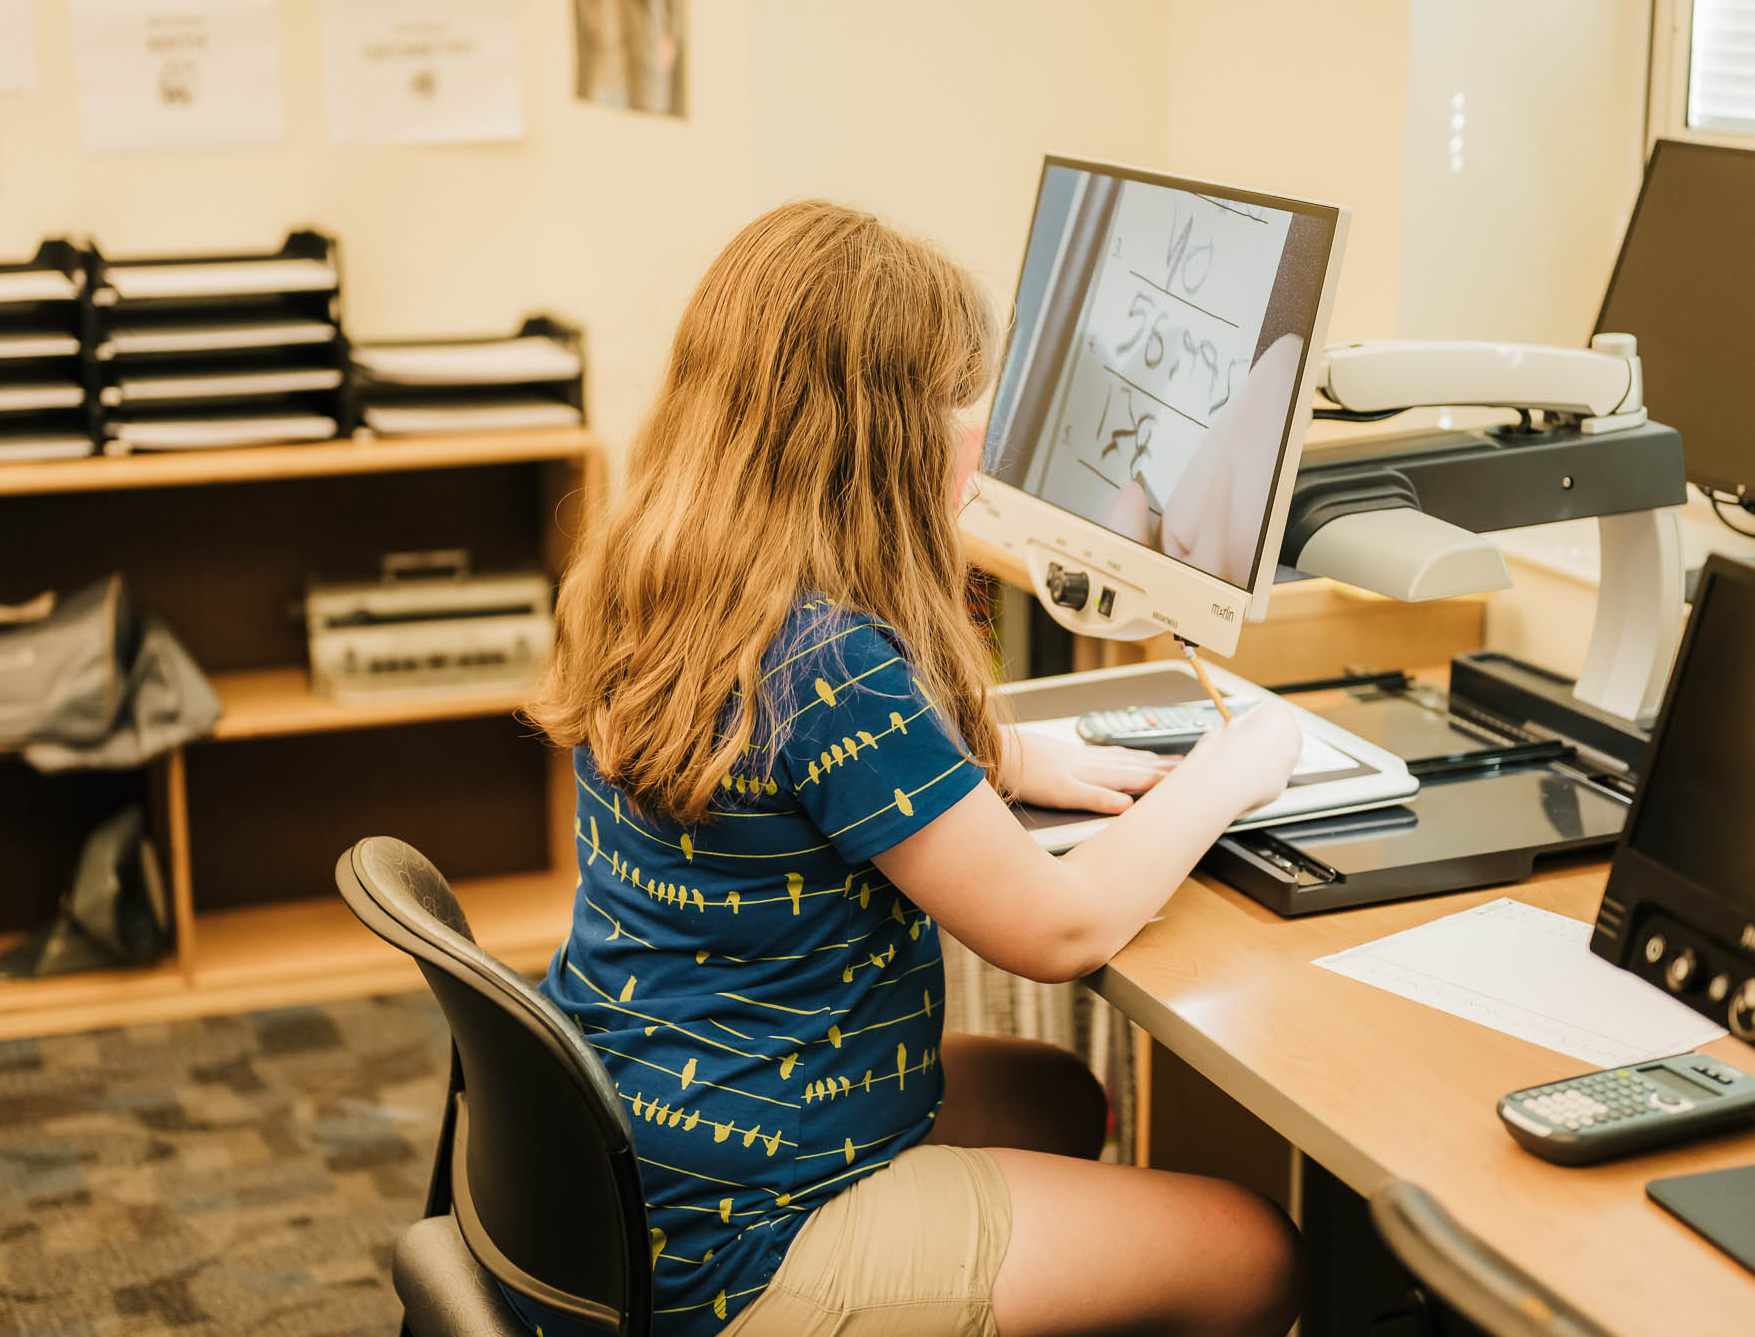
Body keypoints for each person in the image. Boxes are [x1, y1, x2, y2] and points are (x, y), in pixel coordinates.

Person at [522, 200, 1305, 1337]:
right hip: (750, 1239)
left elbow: (786, 770)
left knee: (1056, 1096)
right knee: (1250, 1248)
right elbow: (1061, 930)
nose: (972, 442)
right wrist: (1236, 763)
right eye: (948, 411)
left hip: (641, 1149)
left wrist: (1008, 751)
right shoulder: (827, 661)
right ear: (867, 438)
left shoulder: (651, 569)